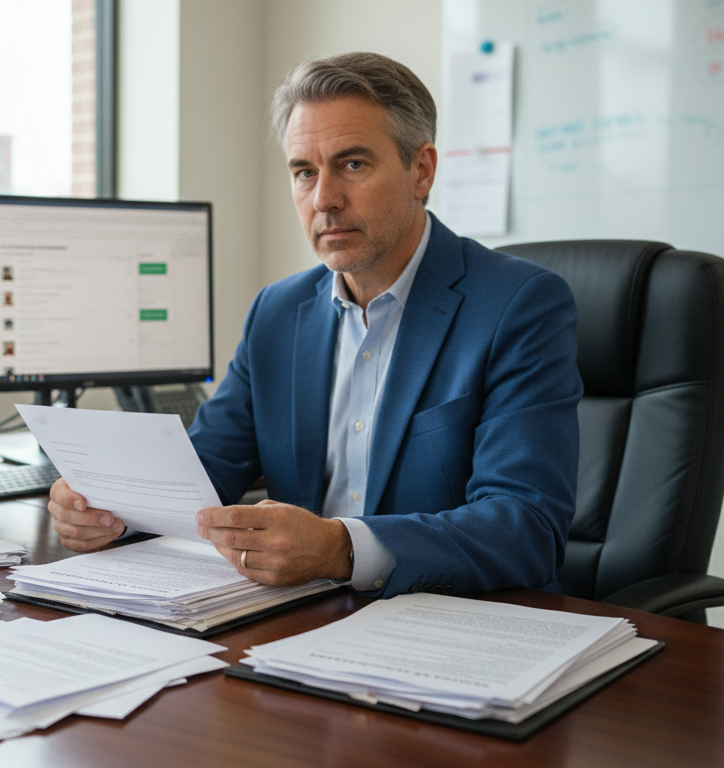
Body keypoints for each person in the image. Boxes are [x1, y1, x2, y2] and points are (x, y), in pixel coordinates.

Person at [46, 52, 582, 599]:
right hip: (299, 619)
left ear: (421, 170)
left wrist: (339, 548)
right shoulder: (277, 312)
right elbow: (202, 473)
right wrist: (107, 507)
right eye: (305, 172)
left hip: (456, 623)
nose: (323, 199)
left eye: (352, 165)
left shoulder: (518, 304)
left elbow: (526, 529)